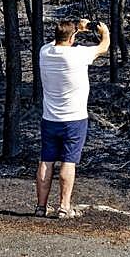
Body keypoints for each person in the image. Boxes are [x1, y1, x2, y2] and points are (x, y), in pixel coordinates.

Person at [35, 17, 109, 219]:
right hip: (74, 119)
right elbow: (103, 47)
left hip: (49, 117)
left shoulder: (45, 52)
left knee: (46, 161)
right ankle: (64, 207)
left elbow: (57, 41)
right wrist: (105, 32)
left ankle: (41, 206)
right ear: (72, 38)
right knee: (68, 162)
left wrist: (75, 28)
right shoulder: (78, 55)